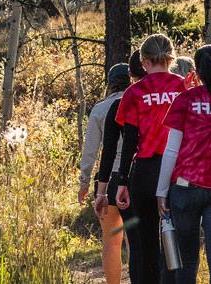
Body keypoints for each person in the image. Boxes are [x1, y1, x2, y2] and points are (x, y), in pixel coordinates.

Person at [156, 45, 211, 284]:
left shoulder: (184, 100)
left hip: (185, 188)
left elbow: (172, 149)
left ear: (196, 72)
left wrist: (161, 191)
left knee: (186, 260)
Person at [112, 34, 188, 284]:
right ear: (171, 58)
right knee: (175, 237)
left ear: (144, 62)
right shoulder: (182, 87)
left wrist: (122, 180)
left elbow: (130, 141)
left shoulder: (134, 92)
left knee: (146, 242)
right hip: (177, 171)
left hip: (145, 170)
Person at [79, 63, 133, 284]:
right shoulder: (137, 104)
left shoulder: (100, 110)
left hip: (107, 179)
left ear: (109, 83)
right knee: (135, 241)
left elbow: (90, 151)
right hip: (132, 177)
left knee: (111, 241)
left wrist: (84, 182)